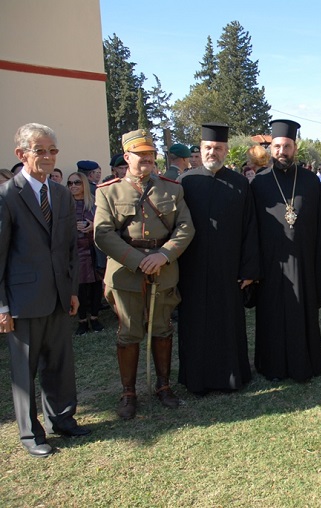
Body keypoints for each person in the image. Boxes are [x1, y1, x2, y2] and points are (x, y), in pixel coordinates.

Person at [1, 123, 90, 458]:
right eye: (41, 150)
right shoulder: (7, 195)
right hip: (22, 300)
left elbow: (67, 248)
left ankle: (62, 420)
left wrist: (71, 290)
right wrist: (2, 307)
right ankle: (30, 434)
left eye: (53, 150)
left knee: (60, 363)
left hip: (58, 295)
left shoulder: (61, 194)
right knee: (25, 368)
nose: (50, 157)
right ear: (21, 154)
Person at [95, 129, 194, 419]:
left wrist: (164, 255)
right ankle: (128, 392)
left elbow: (185, 227)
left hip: (164, 269)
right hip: (126, 272)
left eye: (151, 155)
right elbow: (102, 234)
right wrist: (138, 260)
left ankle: (163, 386)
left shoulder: (172, 189)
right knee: (129, 332)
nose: (147, 160)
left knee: (162, 328)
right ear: (127, 157)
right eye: (141, 155)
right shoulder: (108, 191)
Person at [177, 123, 259, 394]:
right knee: (195, 322)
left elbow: (250, 228)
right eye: (208, 148)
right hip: (193, 268)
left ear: (226, 150)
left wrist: (249, 268)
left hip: (229, 268)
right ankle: (196, 379)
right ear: (199, 151)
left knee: (228, 322)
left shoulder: (239, 184)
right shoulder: (185, 182)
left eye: (219, 148)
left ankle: (232, 376)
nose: (213, 152)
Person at [251, 119, 321, 382]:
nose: (282, 151)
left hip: (305, 260)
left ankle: (307, 362)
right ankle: (272, 365)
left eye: (287, 146)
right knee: (272, 315)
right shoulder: (258, 183)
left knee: (303, 313)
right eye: (277, 146)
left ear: (295, 148)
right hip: (272, 263)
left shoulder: (310, 181)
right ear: (270, 149)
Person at [67, 171, 104, 335]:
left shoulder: (95, 203)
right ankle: (82, 320)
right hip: (75, 251)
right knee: (79, 286)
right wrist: (72, 227)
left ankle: (95, 317)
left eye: (77, 182)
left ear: (84, 184)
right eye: (70, 183)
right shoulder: (65, 205)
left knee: (96, 285)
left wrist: (92, 225)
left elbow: (105, 223)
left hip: (93, 248)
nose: (73, 186)